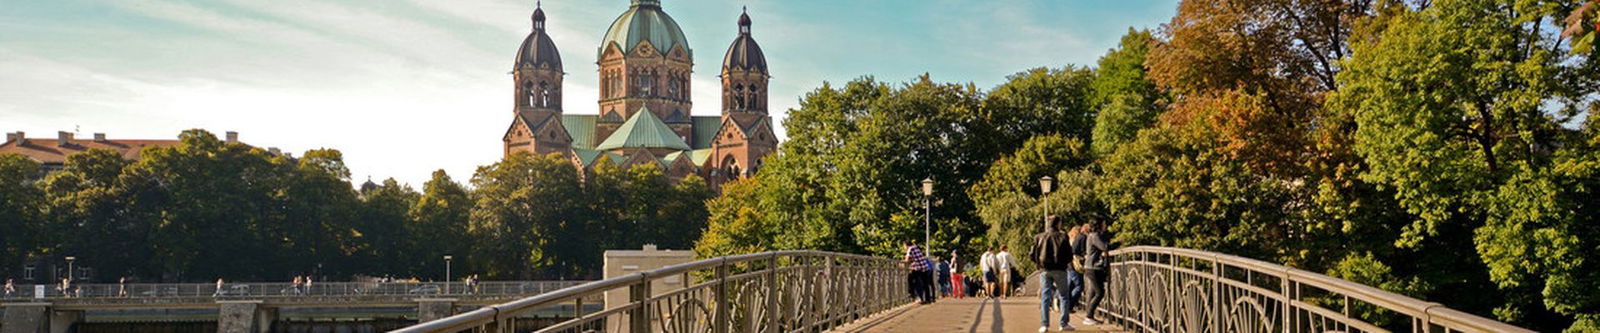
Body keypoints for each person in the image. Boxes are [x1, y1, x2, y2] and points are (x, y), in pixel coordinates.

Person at [1032, 215, 1074, 332]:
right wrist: (1064, 263)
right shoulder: (1063, 236)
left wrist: (1039, 264)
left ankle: (1044, 325)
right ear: (1058, 224)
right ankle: (1063, 324)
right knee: (1064, 296)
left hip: (1044, 270)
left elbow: (1033, 254)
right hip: (1060, 269)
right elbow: (1069, 254)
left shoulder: (1039, 237)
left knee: (1045, 297)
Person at [1082, 219, 1112, 326]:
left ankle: (1089, 316)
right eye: (1104, 224)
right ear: (1099, 225)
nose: (1105, 225)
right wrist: (1119, 243)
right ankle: (1088, 316)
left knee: (1095, 291)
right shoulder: (1095, 236)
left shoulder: (1093, 235)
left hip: (1092, 267)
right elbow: (1105, 247)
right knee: (1100, 292)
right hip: (1093, 267)